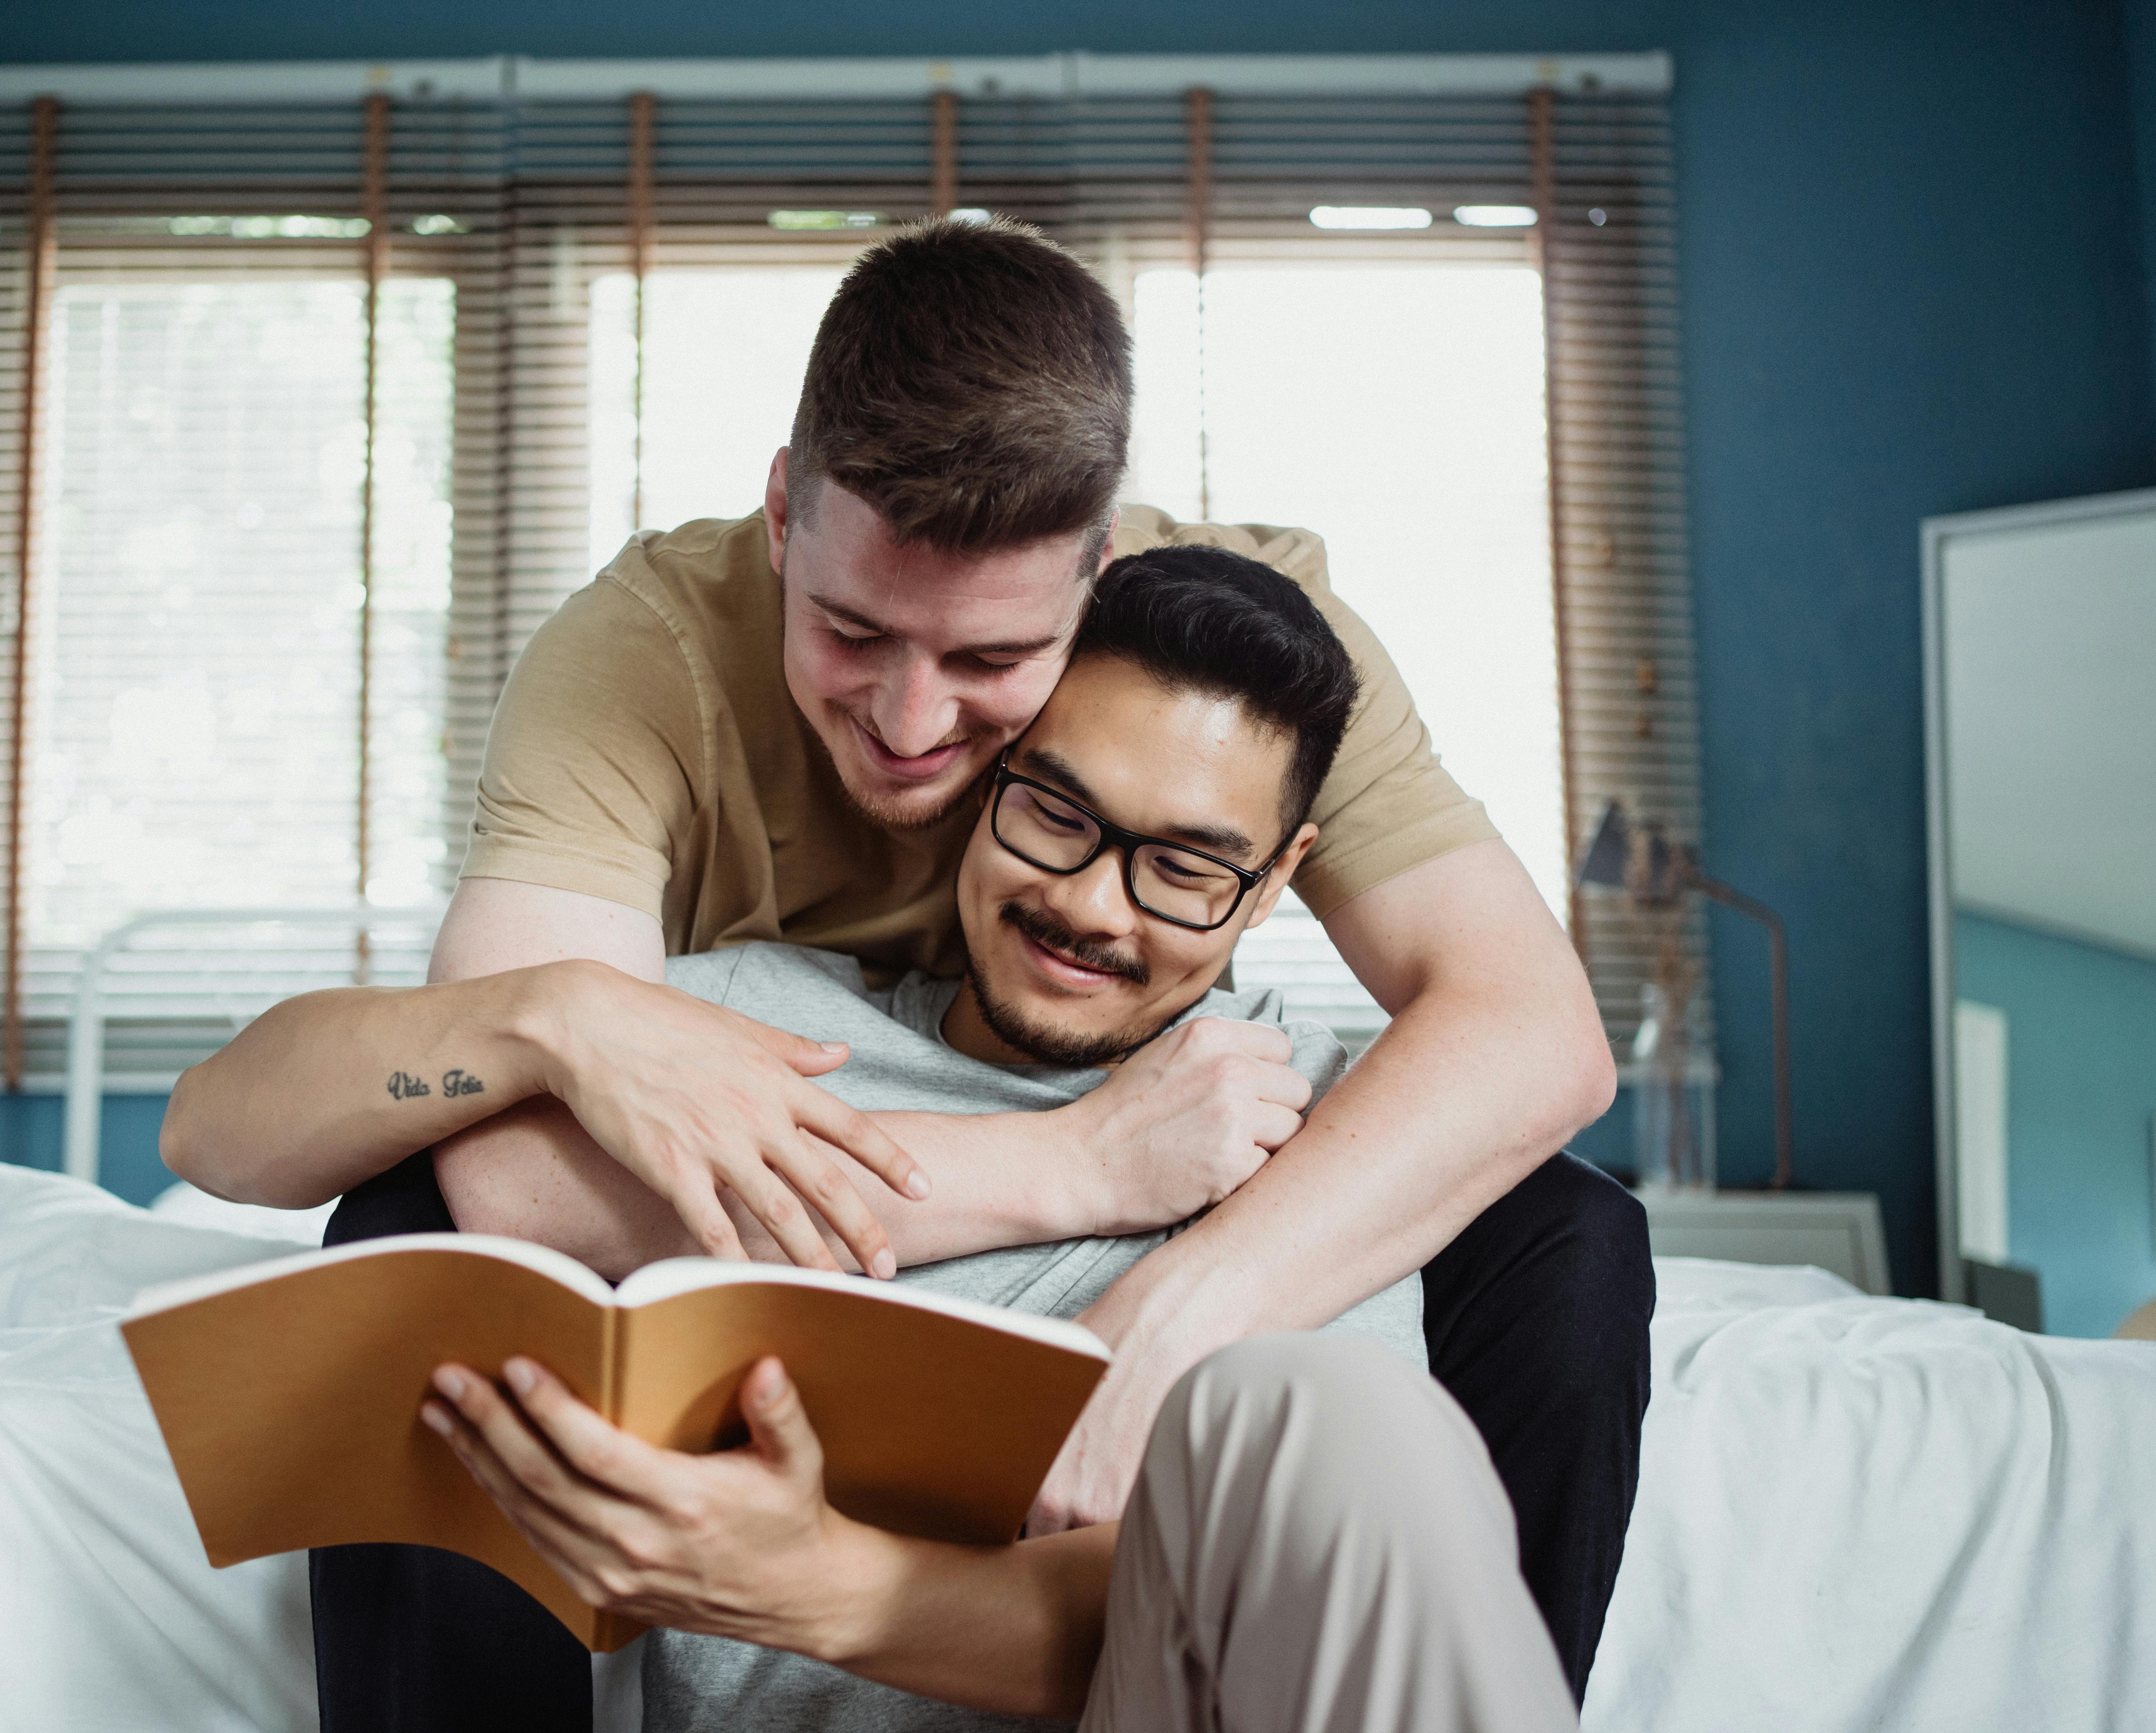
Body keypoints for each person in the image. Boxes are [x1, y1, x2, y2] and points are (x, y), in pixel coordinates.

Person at [166, 220, 1647, 1715]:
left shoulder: (1222, 666)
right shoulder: (646, 670)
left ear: (1097, 583)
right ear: (779, 521)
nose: (909, 718)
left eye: (993, 664)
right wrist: (1079, 1169)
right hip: (853, 1122)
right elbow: (500, 1184)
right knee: (423, 1248)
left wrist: (1179, 1312)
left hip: (1160, 1339)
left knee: (1552, 1236)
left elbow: (1530, 1031)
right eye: (851, 630)